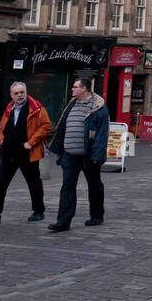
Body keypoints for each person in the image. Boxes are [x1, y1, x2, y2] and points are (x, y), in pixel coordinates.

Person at [0, 82, 51, 226]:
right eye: (16, 93)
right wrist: (2, 140)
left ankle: (38, 210)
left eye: (22, 92)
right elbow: (3, 126)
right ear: (11, 95)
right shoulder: (9, 107)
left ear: (26, 92)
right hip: (8, 153)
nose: (19, 95)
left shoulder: (36, 107)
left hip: (27, 152)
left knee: (34, 182)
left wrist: (31, 142)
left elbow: (46, 126)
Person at [46, 78, 110, 231]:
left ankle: (96, 215)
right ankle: (63, 221)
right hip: (70, 155)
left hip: (88, 155)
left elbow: (102, 134)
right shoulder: (71, 105)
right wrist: (60, 151)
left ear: (85, 89)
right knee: (67, 187)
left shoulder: (98, 107)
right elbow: (62, 127)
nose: (72, 90)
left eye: (75, 87)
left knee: (94, 185)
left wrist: (97, 156)